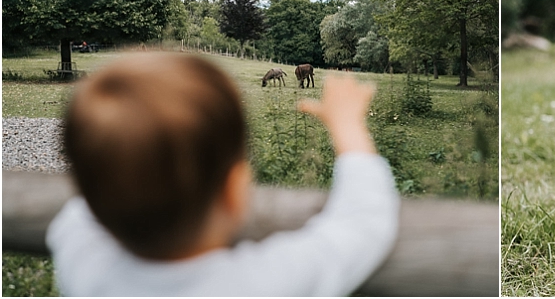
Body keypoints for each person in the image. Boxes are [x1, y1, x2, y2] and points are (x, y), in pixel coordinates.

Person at [47, 53, 399, 296]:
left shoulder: (81, 259)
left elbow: (88, 201)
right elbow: (362, 223)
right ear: (234, 191)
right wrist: (348, 126)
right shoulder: (266, 284)